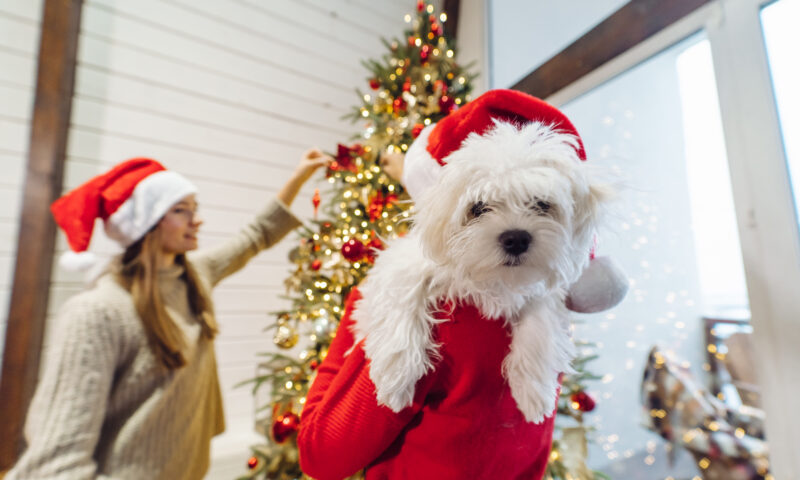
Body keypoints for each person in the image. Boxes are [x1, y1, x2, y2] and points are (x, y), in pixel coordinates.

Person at [6, 151, 330, 480]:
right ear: (146, 222)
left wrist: (298, 179)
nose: (196, 220)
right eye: (180, 210)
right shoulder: (98, 312)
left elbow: (256, 235)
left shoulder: (194, 276)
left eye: (195, 209)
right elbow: (55, 465)